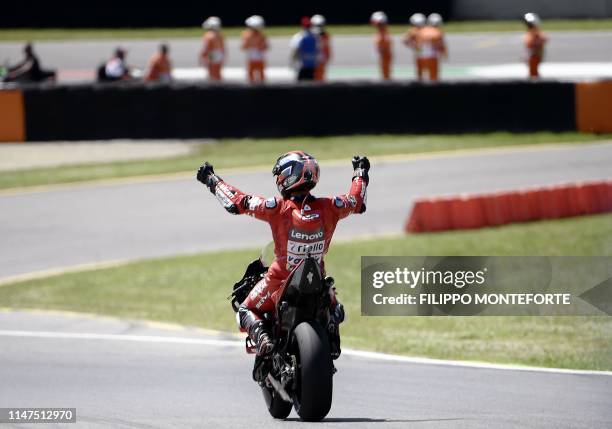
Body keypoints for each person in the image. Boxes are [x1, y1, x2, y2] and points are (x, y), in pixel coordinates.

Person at [196, 151, 370, 356]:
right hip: (317, 279)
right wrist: (360, 172)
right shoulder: (332, 206)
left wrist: (212, 180)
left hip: (278, 281)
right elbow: (358, 201)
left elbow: (237, 203)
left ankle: (263, 338)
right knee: (336, 307)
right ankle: (331, 331)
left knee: (245, 310)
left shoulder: (277, 207)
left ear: (288, 176)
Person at [414, 13, 447, 82]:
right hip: (432, 57)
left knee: (420, 76)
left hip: (420, 57)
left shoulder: (421, 30)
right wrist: (444, 53)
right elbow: (441, 45)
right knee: (433, 78)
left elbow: (416, 43)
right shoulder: (438, 32)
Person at [290, 17, 319, 81]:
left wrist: (292, 62)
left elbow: (295, 50)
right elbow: (318, 50)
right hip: (312, 65)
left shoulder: (298, 36)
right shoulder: (315, 36)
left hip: (302, 65)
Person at [241, 15, 268, 83]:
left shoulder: (261, 36)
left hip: (259, 58)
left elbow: (265, 47)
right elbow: (244, 46)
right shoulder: (247, 35)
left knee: (261, 74)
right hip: (252, 58)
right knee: (251, 74)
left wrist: (258, 46)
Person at [200, 16, 225, 81]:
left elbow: (206, 48)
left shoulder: (208, 35)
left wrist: (202, 56)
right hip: (219, 54)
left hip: (212, 54)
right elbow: (223, 47)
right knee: (218, 71)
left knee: (211, 72)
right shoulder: (220, 35)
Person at [523, 13, 548, 78]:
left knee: (533, 74)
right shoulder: (533, 33)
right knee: (533, 73)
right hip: (533, 55)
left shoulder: (535, 33)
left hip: (534, 55)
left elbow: (529, 43)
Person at [403, 13, 426, 80]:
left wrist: (413, 46)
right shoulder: (426, 29)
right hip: (424, 51)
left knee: (420, 69)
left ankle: (420, 79)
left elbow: (405, 40)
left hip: (419, 51)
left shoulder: (413, 31)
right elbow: (405, 40)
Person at [370, 11, 392, 80]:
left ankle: (386, 82)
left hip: (384, 53)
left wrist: (381, 49)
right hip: (383, 52)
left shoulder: (383, 33)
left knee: (385, 71)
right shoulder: (381, 31)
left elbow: (385, 41)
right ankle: (385, 79)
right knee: (384, 71)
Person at [311, 14, 332, 81]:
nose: (320, 27)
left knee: (320, 78)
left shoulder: (326, 35)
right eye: (318, 25)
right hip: (311, 62)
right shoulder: (310, 36)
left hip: (321, 62)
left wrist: (327, 57)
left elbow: (327, 48)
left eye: (321, 25)